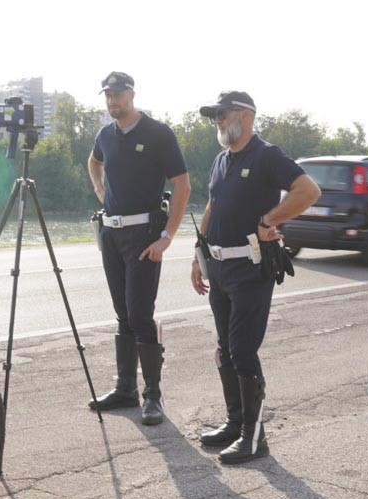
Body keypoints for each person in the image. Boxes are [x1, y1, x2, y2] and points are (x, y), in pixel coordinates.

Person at [190, 91, 320, 464]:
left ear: (246, 116)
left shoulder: (266, 156)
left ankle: (254, 436)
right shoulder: (221, 160)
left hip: (250, 266)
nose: (217, 120)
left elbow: (308, 191)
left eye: (223, 114)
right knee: (225, 350)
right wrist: (198, 256)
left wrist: (269, 220)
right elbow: (212, 206)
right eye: (214, 115)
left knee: (243, 351)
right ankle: (235, 424)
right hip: (219, 266)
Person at [87, 71, 191, 425]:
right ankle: (125, 388)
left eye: (118, 94)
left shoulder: (158, 133)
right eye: (108, 95)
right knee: (123, 315)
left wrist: (167, 236)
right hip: (111, 234)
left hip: (144, 235)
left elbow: (182, 185)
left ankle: (153, 396)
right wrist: (101, 192)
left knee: (140, 315)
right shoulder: (105, 134)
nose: (112, 100)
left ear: (131, 94)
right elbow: (94, 161)